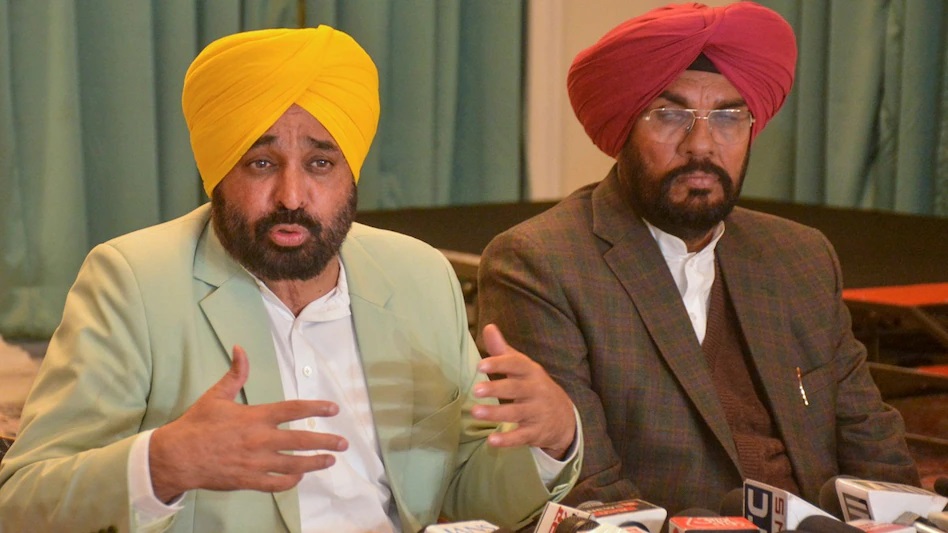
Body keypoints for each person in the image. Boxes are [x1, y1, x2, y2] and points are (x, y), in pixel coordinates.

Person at [0, 26, 582, 533]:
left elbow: (468, 496)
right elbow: (21, 503)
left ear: (351, 174)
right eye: (261, 163)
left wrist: (552, 438)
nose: (292, 196)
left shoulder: (419, 276)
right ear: (217, 171)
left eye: (321, 163)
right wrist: (162, 464)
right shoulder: (133, 281)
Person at [476, 2, 919, 516]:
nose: (702, 144)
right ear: (623, 129)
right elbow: (590, 493)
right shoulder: (542, 264)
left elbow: (872, 444)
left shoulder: (800, 256)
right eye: (670, 116)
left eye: (729, 117)